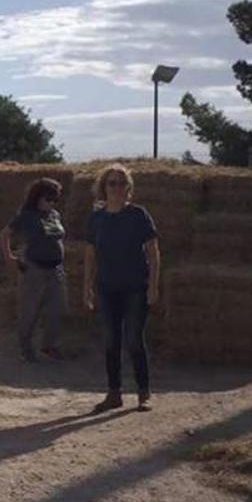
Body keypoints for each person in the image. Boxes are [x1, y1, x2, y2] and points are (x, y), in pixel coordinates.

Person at [84, 164, 161, 413]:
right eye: (111, 183)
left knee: (134, 340)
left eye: (121, 183)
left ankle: (143, 393)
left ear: (128, 188)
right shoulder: (97, 218)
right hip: (107, 287)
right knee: (110, 341)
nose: (116, 187)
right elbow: (90, 254)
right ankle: (114, 393)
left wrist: (153, 285)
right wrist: (87, 286)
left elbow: (153, 252)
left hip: (135, 287)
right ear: (103, 188)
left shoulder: (139, 215)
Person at [0, 178, 66, 363]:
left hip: (55, 269)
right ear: (38, 197)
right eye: (49, 198)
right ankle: (26, 347)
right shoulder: (26, 216)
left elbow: (57, 238)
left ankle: (49, 345)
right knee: (29, 311)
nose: (52, 202)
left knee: (57, 309)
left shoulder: (54, 215)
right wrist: (9, 257)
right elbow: (5, 234)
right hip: (34, 268)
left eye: (55, 199)